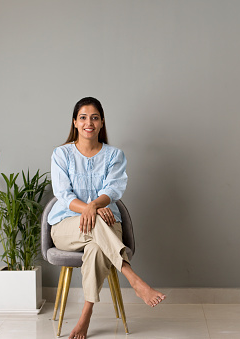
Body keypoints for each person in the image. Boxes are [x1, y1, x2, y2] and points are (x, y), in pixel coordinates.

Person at [48, 97, 165, 339]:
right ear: (75, 122)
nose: (88, 122)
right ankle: (132, 277)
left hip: (106, 225)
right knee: (97, 225)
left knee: (96, 247)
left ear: (101, 123)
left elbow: (113, 190)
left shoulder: (115, 155)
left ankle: (86, 315)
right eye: (83, 117)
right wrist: (90, 209)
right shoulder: (61, 154)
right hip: (67, 227)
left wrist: (94, 206)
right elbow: (62, 194)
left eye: (94, 117)